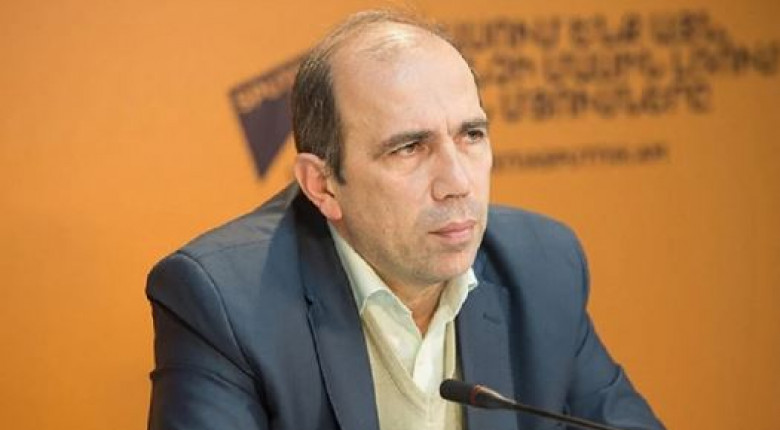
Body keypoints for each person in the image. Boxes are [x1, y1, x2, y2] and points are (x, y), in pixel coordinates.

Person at [146, 10, 665, 430]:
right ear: (322, 185)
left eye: (471, 135)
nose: (457, 182)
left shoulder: (542, 266)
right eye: (409, 148)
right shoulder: (226, 301)